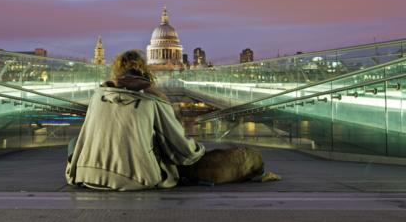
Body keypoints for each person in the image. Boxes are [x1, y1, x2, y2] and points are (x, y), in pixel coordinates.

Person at [65, 50, 280, 191]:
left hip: (85, 174)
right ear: (146, 72)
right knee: (244, 156)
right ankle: (256, 170)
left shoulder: (96, 96)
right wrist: (198, 150)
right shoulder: (153, 100)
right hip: (137, 178)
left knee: (74, 143)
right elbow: (183, 152)